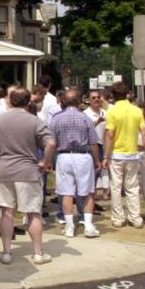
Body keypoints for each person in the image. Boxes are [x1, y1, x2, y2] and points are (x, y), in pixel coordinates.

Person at [0, 86, 56, 265]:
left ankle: (6, 252)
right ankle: (38, 253)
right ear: (29, 102)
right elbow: (50, 143)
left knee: (6, 212)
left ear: (9, 101)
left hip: (3, 170)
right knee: (32, 213)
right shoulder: (35, 121)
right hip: (28, 171)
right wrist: (45, 162)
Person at [48, 89, 101, 239]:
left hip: (64, 156)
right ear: (79, 101)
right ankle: (88, 225)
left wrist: (48, 161)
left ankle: (69, 226)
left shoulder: (56, 119)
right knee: (87, 192)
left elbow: (52, 143)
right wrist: (97, 160)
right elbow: (93, 142)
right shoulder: (85, 118)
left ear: (63, 101)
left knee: (66, 192)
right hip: (83, 156)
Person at [103, 81, 145, 228]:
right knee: (132, 187)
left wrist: (106, 155)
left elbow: (110, 135)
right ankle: (135, 217)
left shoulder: (112, 112)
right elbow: (143, 134)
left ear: (113, 96)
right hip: (133, 154)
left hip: (117, 154)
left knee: (116, 187)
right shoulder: (137, 111)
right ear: (127, 94)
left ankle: (118, 217)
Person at [83, 90, 109, 202]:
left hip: (103, 145)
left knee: (100, 172)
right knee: (92, 172)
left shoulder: (105, 112)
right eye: (93, 98)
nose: (97, 99)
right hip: (91, 145)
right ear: (89, 100)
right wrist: (97, 123)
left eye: (98, 97)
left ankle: (93, 198)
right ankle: (89, 199)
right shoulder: (85, 114)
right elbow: (84, 131)